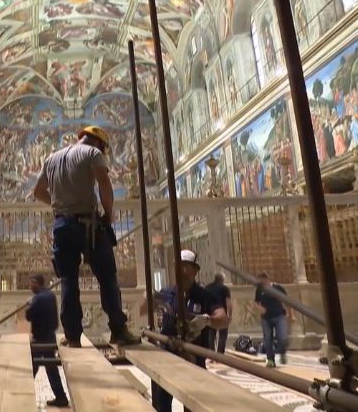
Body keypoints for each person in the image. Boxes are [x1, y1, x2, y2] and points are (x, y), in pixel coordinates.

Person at [33, 126, 140, 347]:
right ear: (99, 143)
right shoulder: (93, 153)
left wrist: (58, 204)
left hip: (61, 225)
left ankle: (72, 336)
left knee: (68, 280)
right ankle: (118, 331)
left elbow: (38, 192)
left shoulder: (51, 158)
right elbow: (104, 184)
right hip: (88, 224)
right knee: (107, 277)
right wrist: (108, 214)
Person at [142, 250, 228, 412]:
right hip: (167, 358)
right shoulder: (167, 293)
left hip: (193, 359)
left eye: (185, 266)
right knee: (161, 405)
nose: (180, 270)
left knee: (193, 406)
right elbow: (143, 311)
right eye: (177, 266)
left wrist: (207, 320)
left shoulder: (205, 296)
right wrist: (149, 300)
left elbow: (223, 319)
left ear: (195, 270)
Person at [26, 274, 69, 408]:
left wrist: (29, 304)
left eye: (31, 283)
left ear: (36, 283)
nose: (30, 286)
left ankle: (22, 395)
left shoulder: (38, 299)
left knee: (32, 366)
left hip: (40, 339)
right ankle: (61, 397)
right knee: (50, 367)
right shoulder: (50, 295)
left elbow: (28, 316)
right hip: (50, 336)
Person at [255, 272, 291, 367]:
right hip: (266, 318)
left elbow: (287, 300)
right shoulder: (259, 290)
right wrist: (260, 308)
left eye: (261, 281)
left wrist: (290, 314)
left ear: (266, 279)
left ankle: (282, 352)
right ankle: (271, 360)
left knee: (282, 337)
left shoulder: (277, 288)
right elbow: (257, 303)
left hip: (279, 316)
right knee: (267, 339)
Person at [205, 272, 232, 354]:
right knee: (222, 335)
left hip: (210, 313)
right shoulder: (224, 288)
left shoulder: (207, 287)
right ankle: (220, 354)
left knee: (211, 335)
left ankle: (212, 354)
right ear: (222, 279)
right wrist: (230, 315)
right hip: (221, 314)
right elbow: (228, 302)